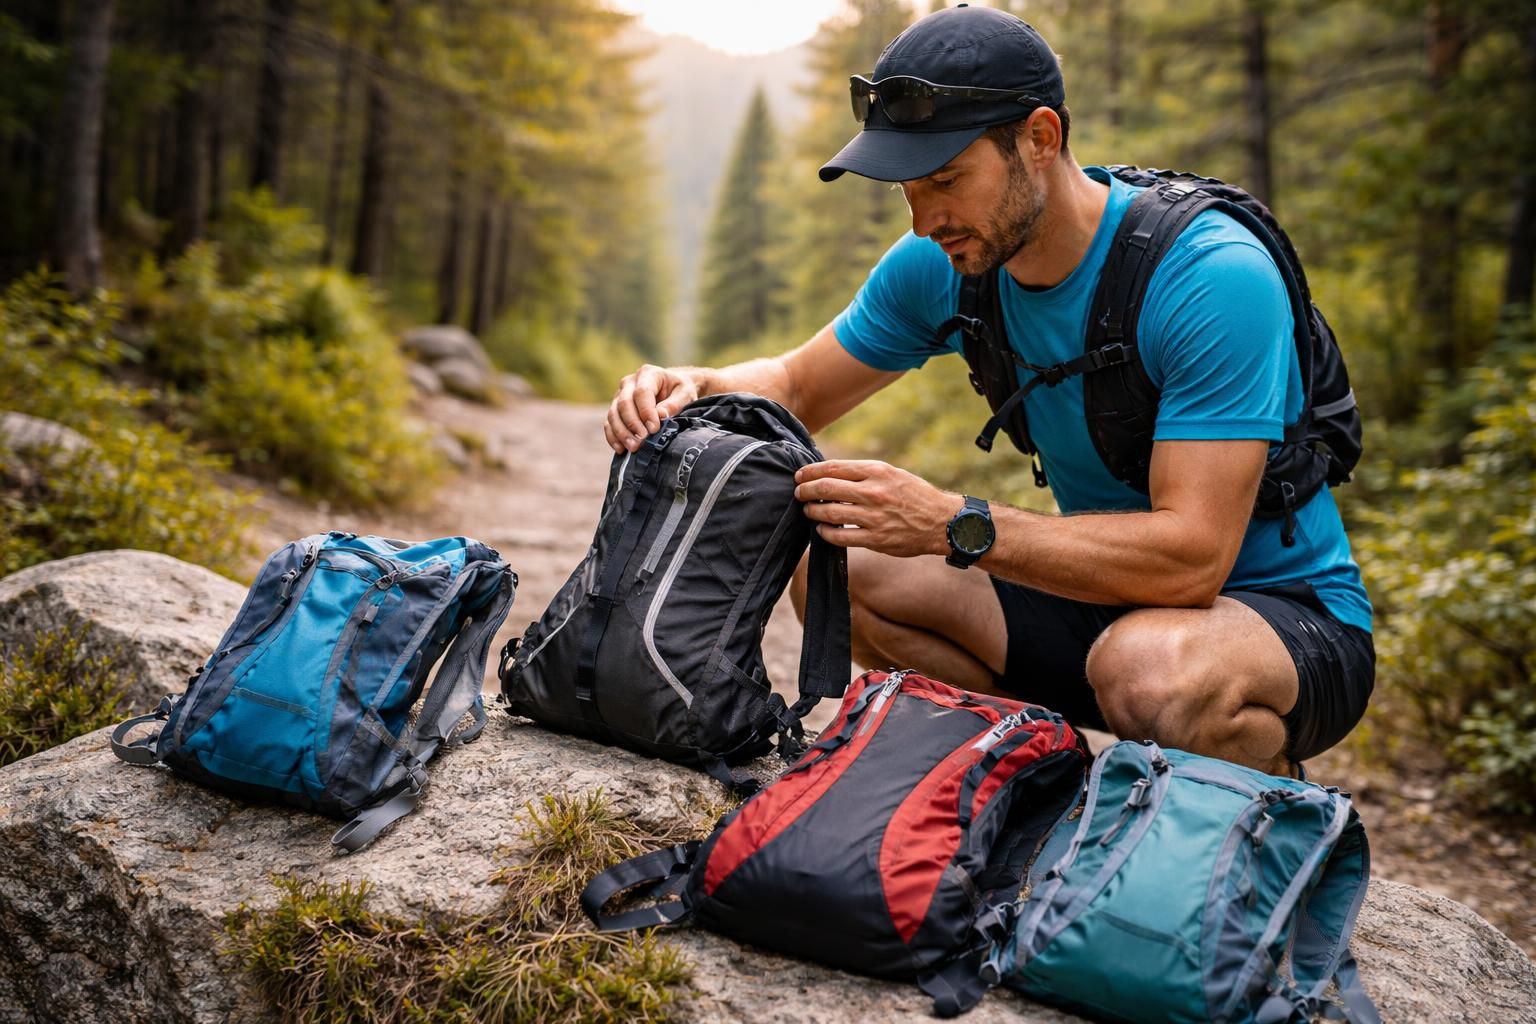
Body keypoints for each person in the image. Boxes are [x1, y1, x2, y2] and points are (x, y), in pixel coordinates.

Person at [602, 5, 1373, 776]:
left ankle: (1258, 789)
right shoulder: (943, 261)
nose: (925, 218)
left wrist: (952, 523)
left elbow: (1191, 560)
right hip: (1103, 606)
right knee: (849, 569)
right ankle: (1020, 775)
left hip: (1278, 620)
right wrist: (699, 384)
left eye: (947, 179)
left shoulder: (1209, 277)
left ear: (1040, 139)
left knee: (1149, 673)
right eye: (908, 187)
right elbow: (798, 383)